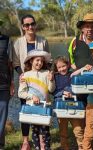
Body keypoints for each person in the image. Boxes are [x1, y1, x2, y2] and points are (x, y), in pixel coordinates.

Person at [13, 14, 50, 150]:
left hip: (39, 81)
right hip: (25, 80)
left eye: (32, 24)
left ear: (35, 25)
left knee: (40, 108)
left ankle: (41, 139)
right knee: (25, 110)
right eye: (27, 25)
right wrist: (21, 74)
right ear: (23, 27)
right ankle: (25, 141)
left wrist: (47, 76)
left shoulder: (43, 41)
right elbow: (16, 63)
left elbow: (48, 61)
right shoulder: (17, 43)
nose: (30, 27)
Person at [18, 49, 55, 150]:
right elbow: (21, 93)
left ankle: (45, 147)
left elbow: (51, 89)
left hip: (45, 108)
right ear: (31, 61)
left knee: (45, 132)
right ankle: (38, 147)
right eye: (37, 60)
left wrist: (51, 80)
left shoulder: (47, 73)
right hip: (32, 109)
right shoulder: (26, 75)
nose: (40, 63)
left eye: (42, 61)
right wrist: (31, 96)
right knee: (35, 131)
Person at [53, 56, 84, 150]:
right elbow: (53, 91)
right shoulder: (55, 77)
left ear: (68, 65)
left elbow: (79, 88)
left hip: (74, 107)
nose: (62, 69)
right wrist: (62, 92)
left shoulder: (72, 75)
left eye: (64, 66)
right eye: (59, 67)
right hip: (61, 107)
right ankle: (65, 147)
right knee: (63, 131)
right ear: (56, 68)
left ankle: (82, 147)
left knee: (78, 130)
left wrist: (71, 92)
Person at [0, 18, 14, 150]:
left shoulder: (7, 40)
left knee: (2, 117)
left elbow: (10, 64)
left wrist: (12, 84)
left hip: (4, 85)